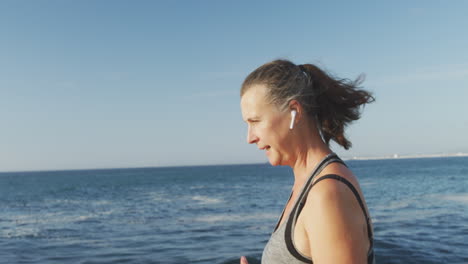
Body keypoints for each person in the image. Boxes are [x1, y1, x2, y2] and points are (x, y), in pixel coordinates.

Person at [239, 59, 375, 264]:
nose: (250, 137)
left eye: (255, 121)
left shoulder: (327, 193)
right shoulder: (309, 184)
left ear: (294, 111)